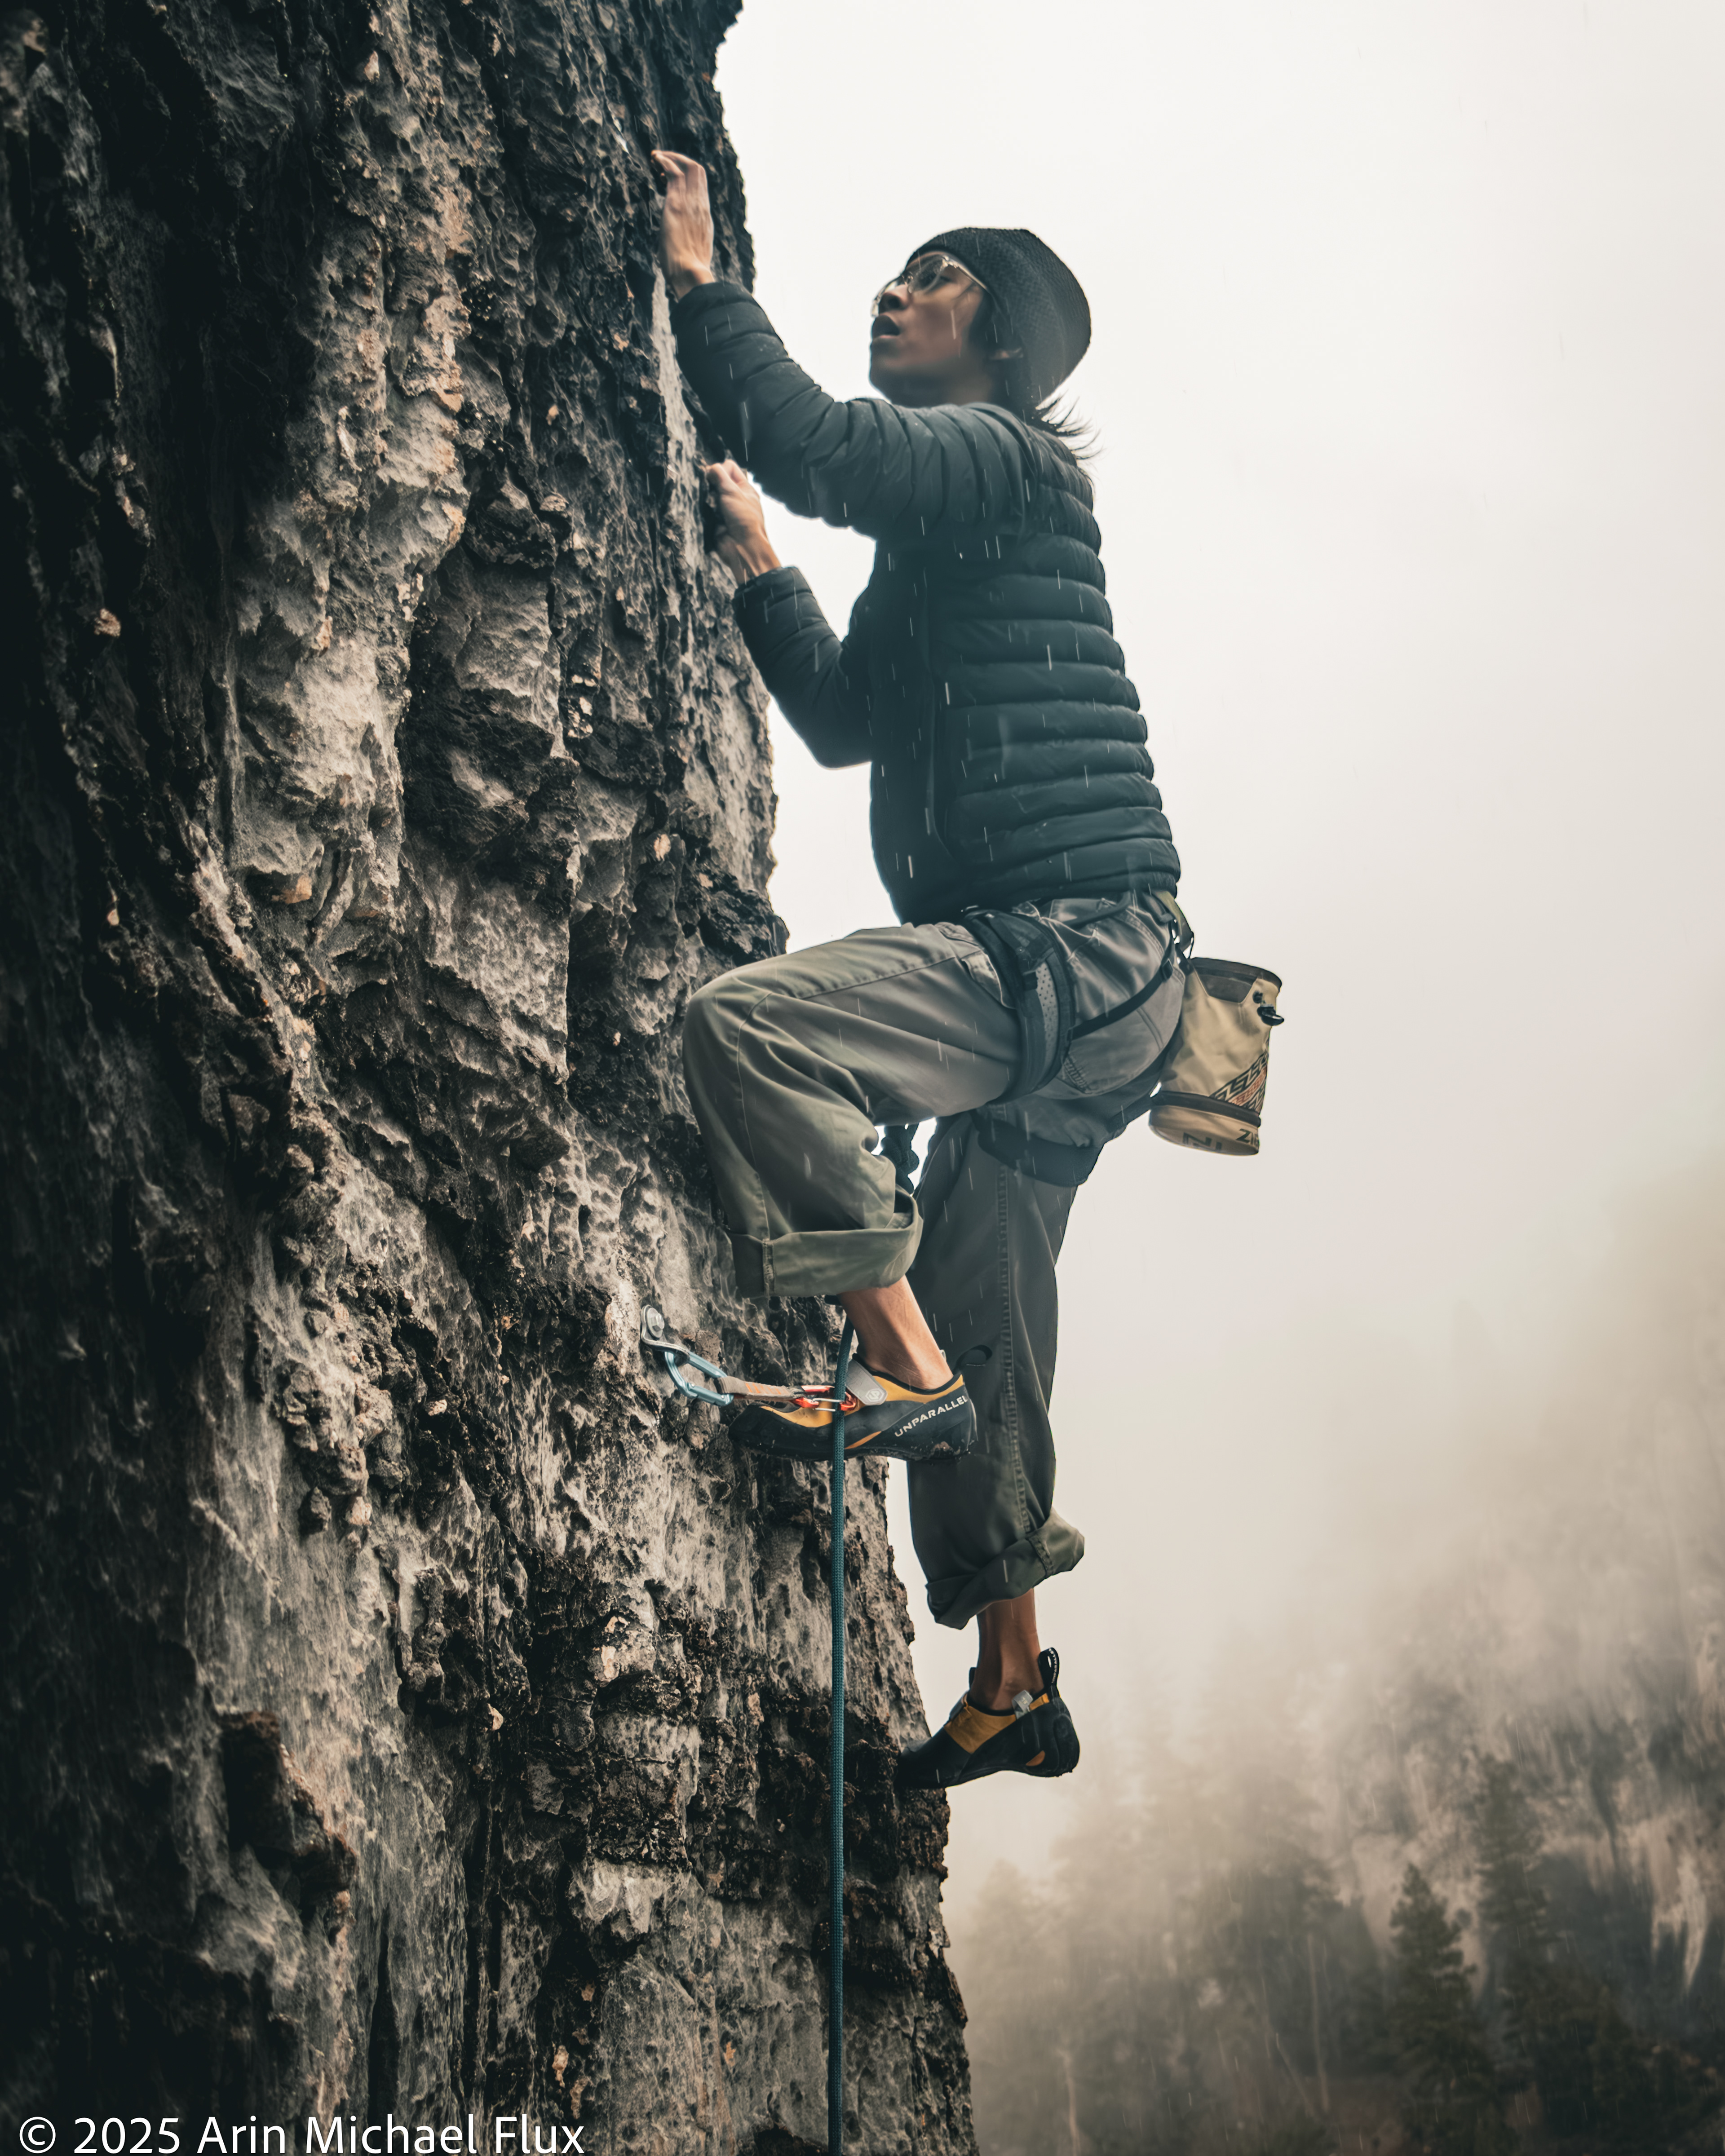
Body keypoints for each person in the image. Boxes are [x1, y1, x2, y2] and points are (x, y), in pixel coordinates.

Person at [652, 150, 1184, 1791]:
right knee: (985, 1320)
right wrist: (754, 562)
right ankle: (1013, 1676)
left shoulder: (1010, 468)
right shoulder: (943, 538)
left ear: (1002, 346)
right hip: (1108, 994)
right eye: (895, 268)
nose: (897, 288)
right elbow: (841, 724)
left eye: (938, 277)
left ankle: (904, 1384)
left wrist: (693, 281)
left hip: (1067, 949)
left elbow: (816, 443)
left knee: (750, 1033)